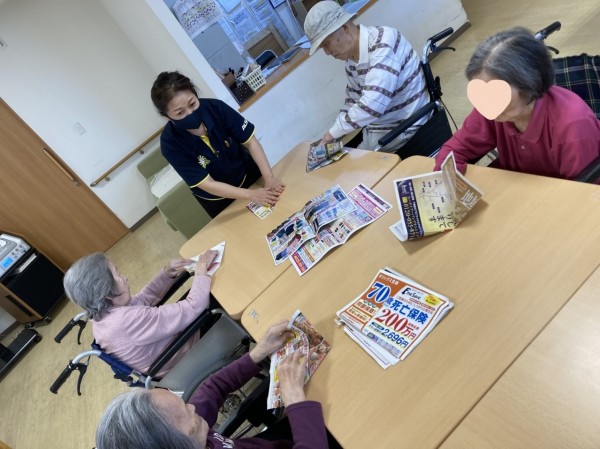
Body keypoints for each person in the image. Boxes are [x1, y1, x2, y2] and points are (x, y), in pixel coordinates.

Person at [95, 321, 332, 449]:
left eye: (183, 403)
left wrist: (257, 353)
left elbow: (214, 387)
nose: (192, 408)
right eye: (187, 415)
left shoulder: (187, 434)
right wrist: (295, 401)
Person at [434, 27, 600, 180]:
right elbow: (454, 151)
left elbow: (583, 193)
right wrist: (444, 181)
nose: (487, 103)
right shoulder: (493, 109)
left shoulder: (573, 127)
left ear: (530, 85)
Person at [63, 250, 217, 378]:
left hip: (171, 354)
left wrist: (166, 273)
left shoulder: (104, 317)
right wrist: (201, 272)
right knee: (216, 295)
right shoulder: (125, 320)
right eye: (118, 274)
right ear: (107, 291)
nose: (125, 277)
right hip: (183, 359)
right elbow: (195, 306)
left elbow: (142, 299)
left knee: (200, 291)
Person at [151, 71, 285, 218]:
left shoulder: (216, 108)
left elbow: (251, 142)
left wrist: (269, 178)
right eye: (179, 113)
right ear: (167, 116)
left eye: (192, 103)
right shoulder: (170, 144)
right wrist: (250, 194)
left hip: (248, 175)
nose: (190, 113)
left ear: (196, 95)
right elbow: (207, 183)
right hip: (219, 199)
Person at [304, 1, 429, 151]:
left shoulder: (383, 43)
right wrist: (332, 134)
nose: (327, 52)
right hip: (380, 130)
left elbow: (372, 105)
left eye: (326, 44)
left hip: (408, 128)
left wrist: (332, 134)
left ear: (344, 28)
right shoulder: (351, 60)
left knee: (352, 163)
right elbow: (353, 100)